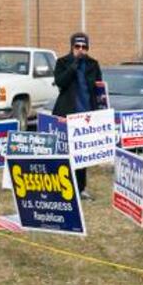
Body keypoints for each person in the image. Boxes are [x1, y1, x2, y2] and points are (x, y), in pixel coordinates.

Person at [53, 32, 102, 200]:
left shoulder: (93, 64)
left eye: (84, 47)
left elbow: (98, 89)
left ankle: (81, 189)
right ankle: (65, 187)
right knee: (66, 153)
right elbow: (60, 82)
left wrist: (100, 112)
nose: (81, 50)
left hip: (86, 114)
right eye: (77, 47)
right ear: (72, 46)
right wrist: (74, 64)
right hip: (66, 113)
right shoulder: (62, 62)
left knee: (83, 154)